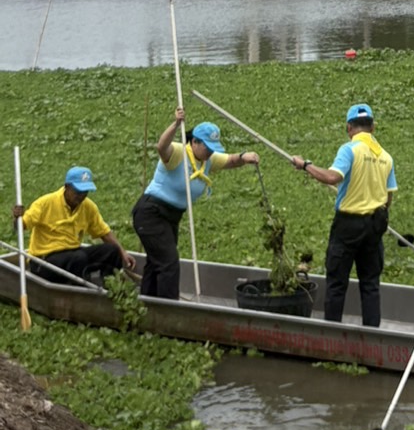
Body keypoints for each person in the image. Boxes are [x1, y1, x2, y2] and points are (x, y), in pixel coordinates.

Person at [132, 111, 258, 299]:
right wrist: (175, 124)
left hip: (171, 217)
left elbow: (231, 160)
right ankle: (169, 310)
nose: (209, 151)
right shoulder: (178, 152)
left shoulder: (208, 160)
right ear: (194, 142)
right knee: (169, 263)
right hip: (151, 213)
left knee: (156, 261)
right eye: (206, 147)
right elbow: (161, 147)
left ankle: (149, 305)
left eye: (212, 148)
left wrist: (244, 156)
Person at [292, 103, 397, 327]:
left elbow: (332, 177)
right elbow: (389, 197)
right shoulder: (387, 157)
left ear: (349, 127)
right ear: (373, 127)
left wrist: (305, 165)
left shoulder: (350, 149)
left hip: (348, 226)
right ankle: (372, 334)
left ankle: (332, 334)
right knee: (370, 284)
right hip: (375, 225)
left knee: (337, 282)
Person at [14, 166, 134, 283]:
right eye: (78, 192)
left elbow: (104, 232)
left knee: (111, 250)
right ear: (67, 187)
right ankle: (77, 290)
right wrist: (17, 218)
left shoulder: (88, 206)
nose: (81, 196)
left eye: (85, 192)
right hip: (44, 260)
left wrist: (122, 253)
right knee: (78, 258)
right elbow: (21, 226)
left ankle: (109, 284)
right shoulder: (45, 203)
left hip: (73, 253)